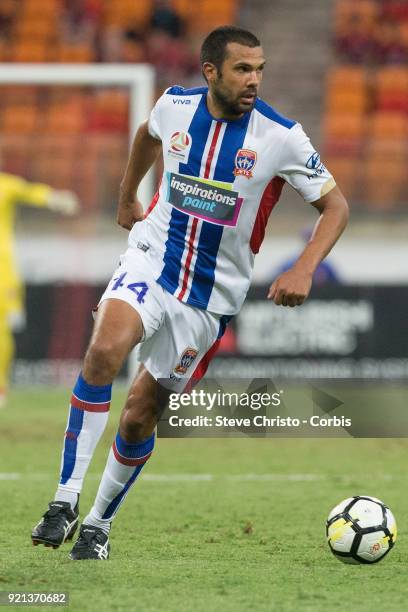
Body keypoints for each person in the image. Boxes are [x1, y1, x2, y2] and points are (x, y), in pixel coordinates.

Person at [31, 25, 349, 560]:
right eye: (242, 70)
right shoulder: (175, 105)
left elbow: (336, 206)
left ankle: (98, 525)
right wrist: (127, 197)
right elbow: (146, 137)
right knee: (105, 350)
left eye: (260, 69)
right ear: (210, 72)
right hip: (152, 258)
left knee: (140, 413)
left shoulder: (282, 136)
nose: (254, 80)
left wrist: (304, 267)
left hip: (209, 297)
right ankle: (63, 499)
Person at [0, 172, 79, 406]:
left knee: (3, 329)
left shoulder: (5, 185)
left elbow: (31, 192)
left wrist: (55, 199)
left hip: (3, 274)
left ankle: (1, 386)